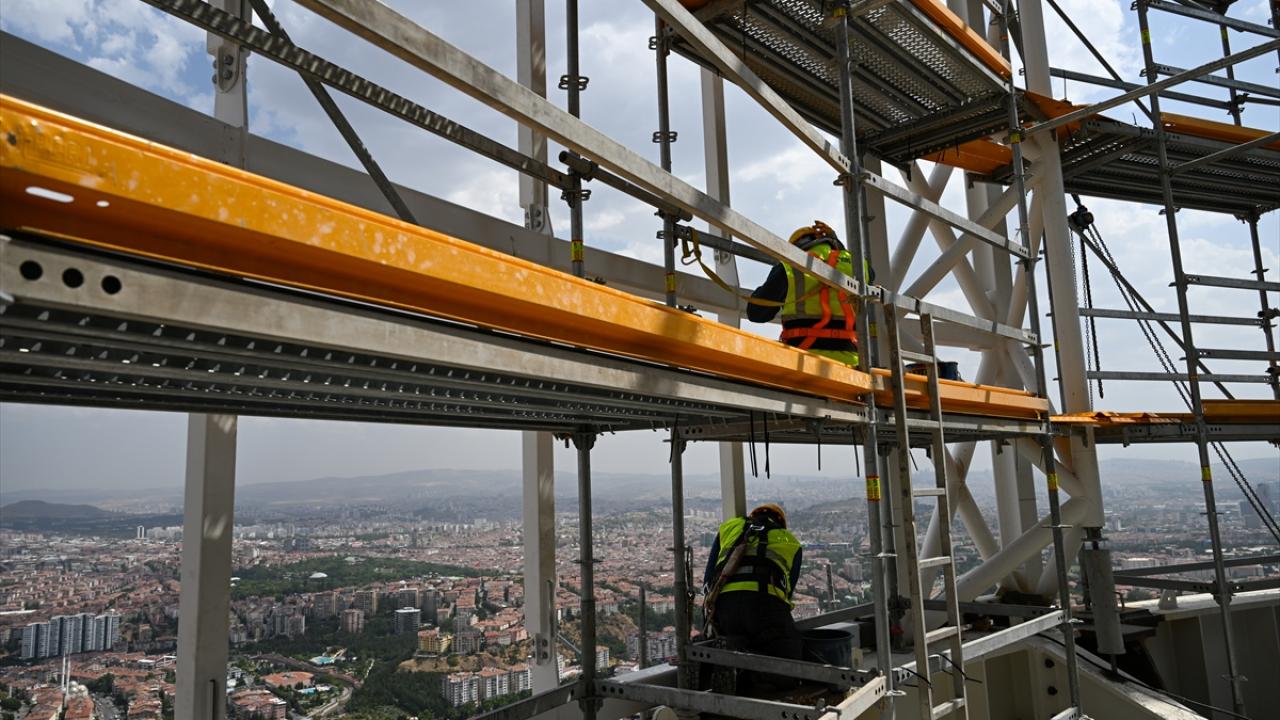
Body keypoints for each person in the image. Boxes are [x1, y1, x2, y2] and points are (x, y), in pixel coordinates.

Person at [748, 220, 867, 367]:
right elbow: (871, 277)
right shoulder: (858, 266)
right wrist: (838, 244)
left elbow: (756, 313)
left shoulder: (790, 265)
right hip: (851, 364)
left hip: (803, 362)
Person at [702, 503, 803, 665]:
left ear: (752, 516)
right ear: (780, 524)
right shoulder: (791, 542)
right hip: (766, 604)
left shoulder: (729, 527)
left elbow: (708, 580)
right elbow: (787, 593)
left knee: (733, 633)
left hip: (725, 604)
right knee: (789, 656)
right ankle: (755, 676)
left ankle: (732, 647)